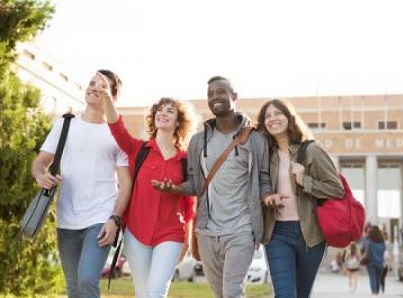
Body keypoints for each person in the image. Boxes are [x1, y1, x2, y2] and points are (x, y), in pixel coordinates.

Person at [152, 75, 272, 298]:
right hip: (207, 230)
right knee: (219, 293)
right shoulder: (198, 141)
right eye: (210, 94)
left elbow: (264, 177)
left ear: (234, 96)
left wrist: (267, 197)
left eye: (220, 92)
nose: (214, 97)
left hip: (242, 228)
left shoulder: (255, 139)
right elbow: (196, 184)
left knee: (232, 292)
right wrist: (176, 189)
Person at [31, 70, 132, 298]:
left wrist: (115, 219)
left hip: (100, 217)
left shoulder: (117, 135)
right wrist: (40, 176)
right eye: (92, 83)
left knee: (87, 279)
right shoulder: (66, 124)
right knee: (74, 288)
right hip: (67, 218)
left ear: (112, 97)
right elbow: (40, 163)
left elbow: (125, 184)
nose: (94, 88)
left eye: (102, 86)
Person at [98, 72, 197, 297]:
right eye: (160, 110)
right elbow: (116, 127)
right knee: (143, 293)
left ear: (179, 121)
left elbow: (190, 205)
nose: (163, 113)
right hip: (136, 233)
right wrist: (107, 98)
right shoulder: (138, 150)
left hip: (171, 233)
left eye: (170, 110)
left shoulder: (185, 161)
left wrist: (187, 240)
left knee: (155, 292)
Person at [255, 99, 344, 298]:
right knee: (285, 295)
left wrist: (306, 181)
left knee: (301, 295)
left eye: (277, 113)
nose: (272, 119)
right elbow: (256, 190)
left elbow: (337, 189)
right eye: (267, 116)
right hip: (277, 233)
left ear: (289, 118)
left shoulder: (311, 150)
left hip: (310, 236)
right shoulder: (265, 156)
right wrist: (267, 198)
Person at [362, 225, 386, 297]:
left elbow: (362, 249)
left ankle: (374, 293)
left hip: (371, 262)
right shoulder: (382, 242)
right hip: (380, 262)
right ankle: (376, 292)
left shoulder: (369, 241)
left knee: (372, 277)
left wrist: (366, 237)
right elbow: (384, 250)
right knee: (378, 278)